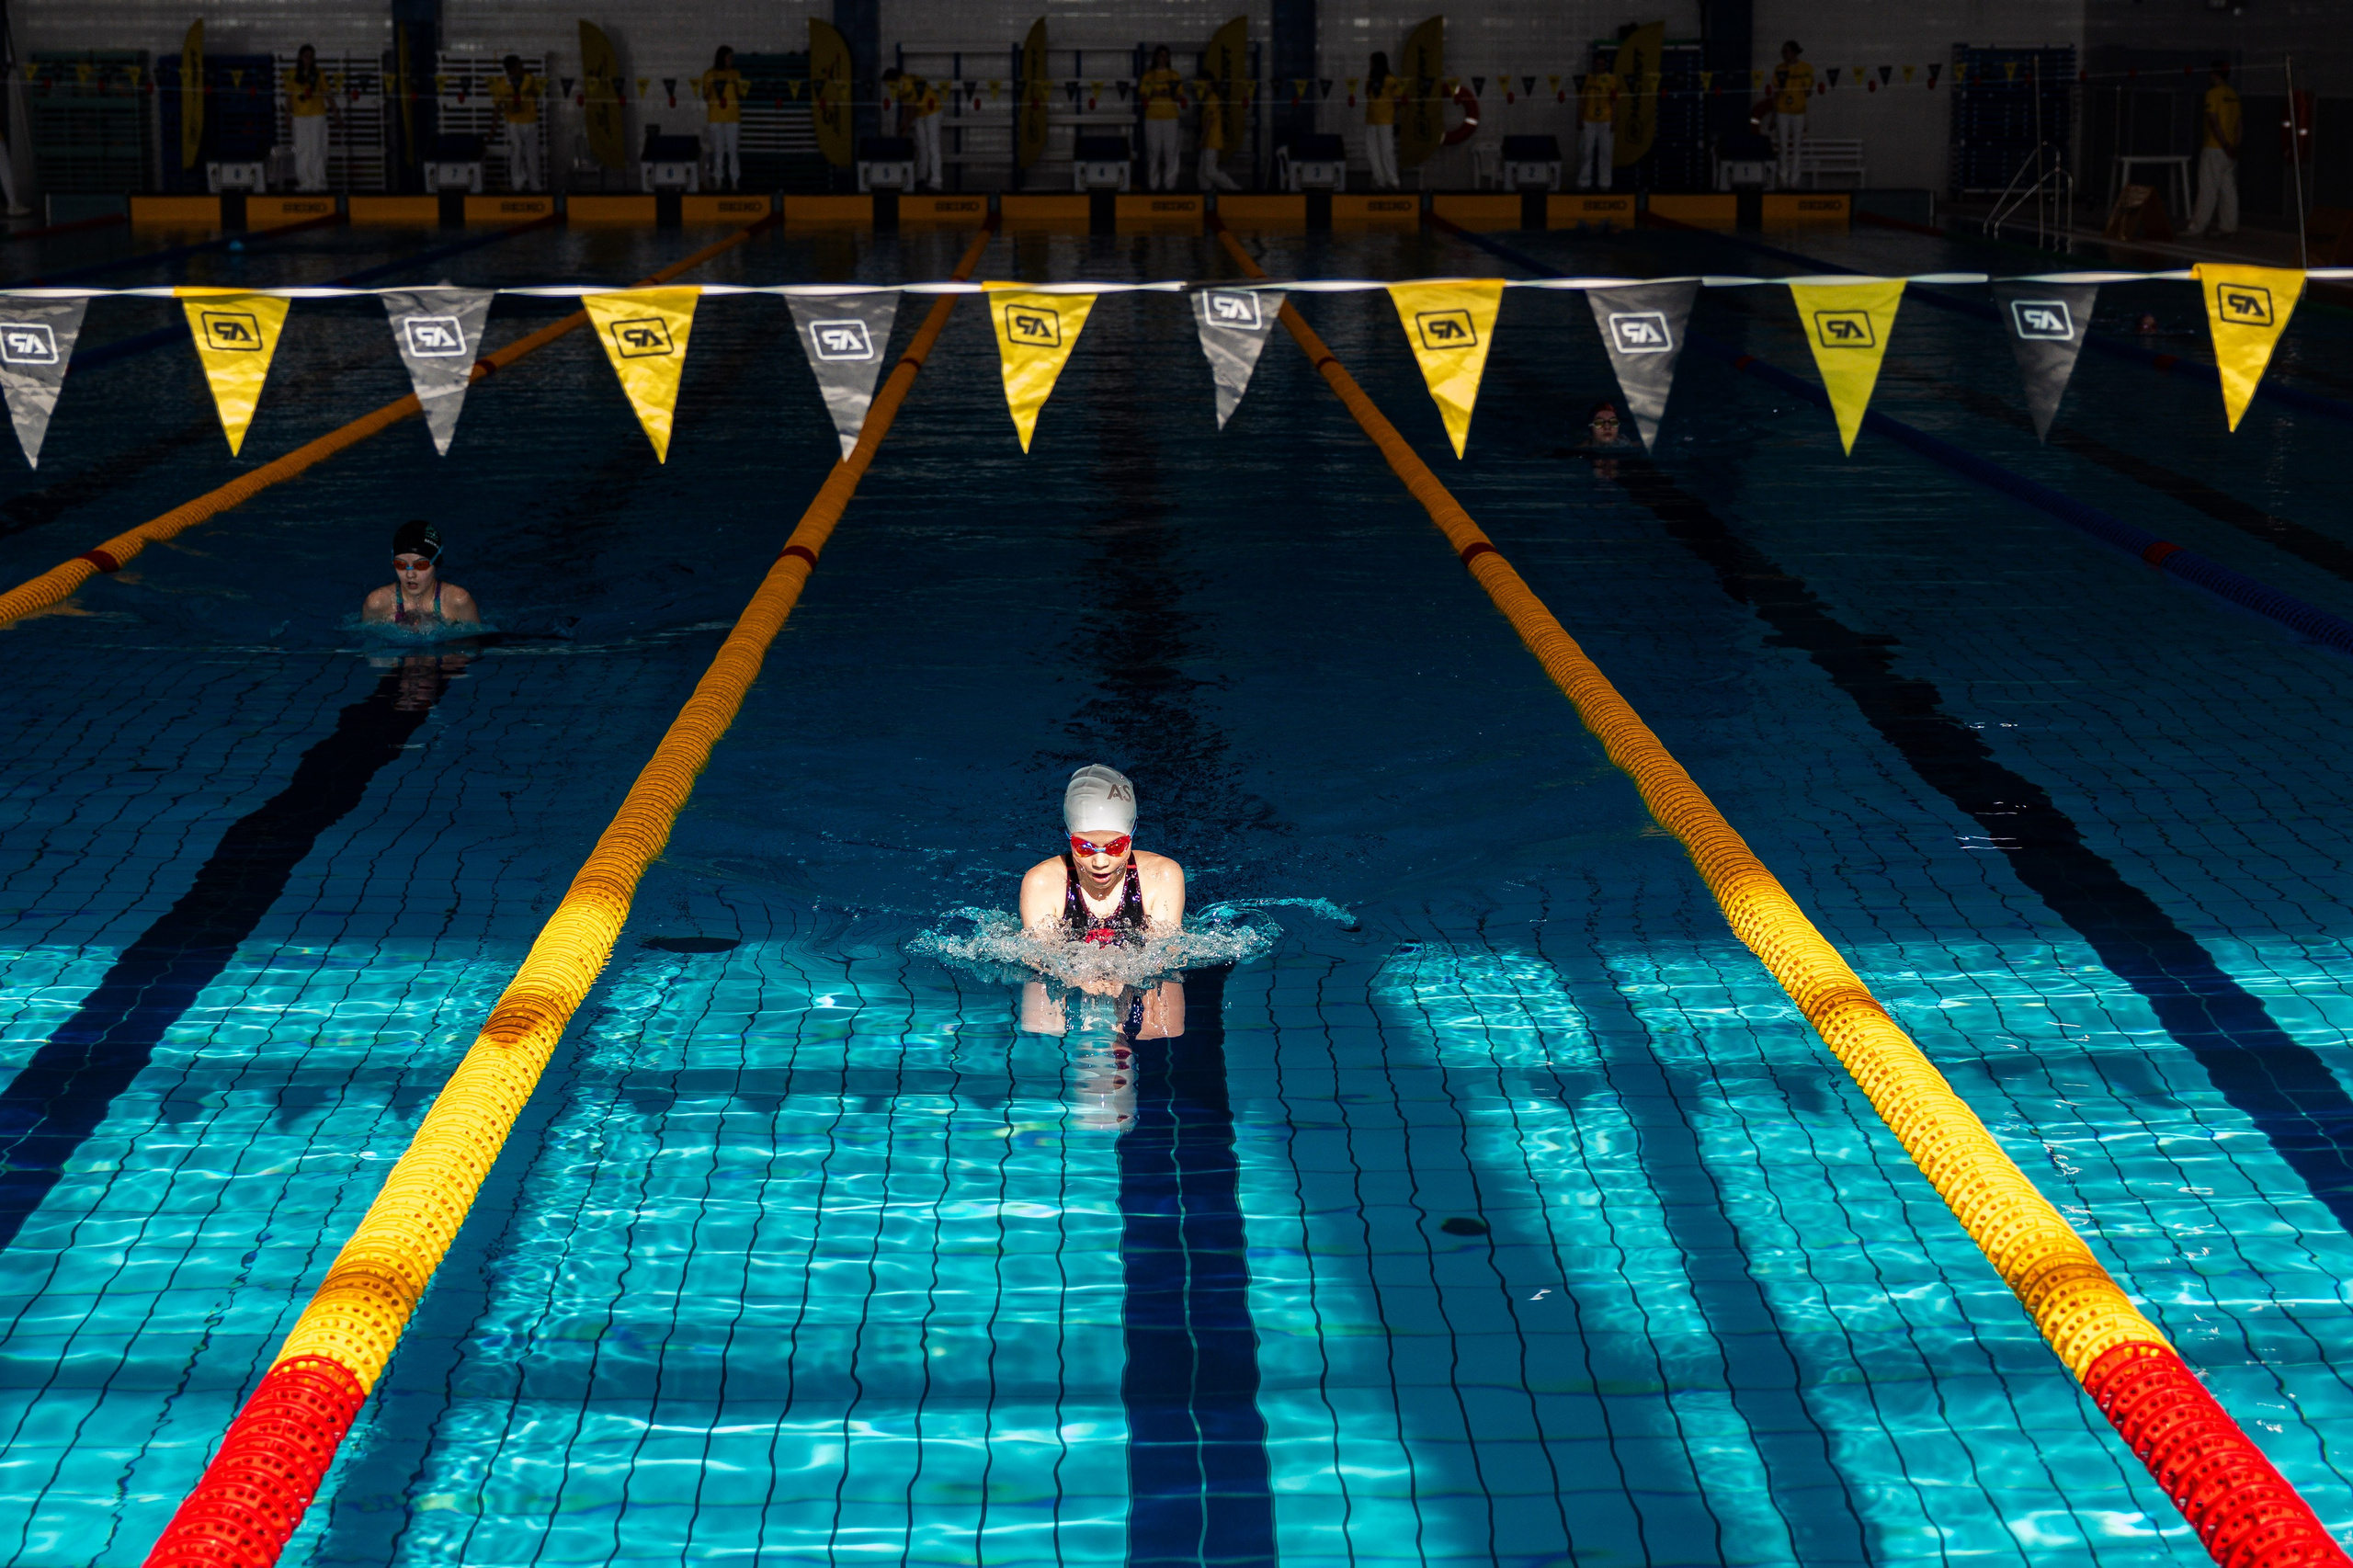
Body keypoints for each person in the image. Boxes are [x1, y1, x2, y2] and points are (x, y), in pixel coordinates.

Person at [1018, 764, 1186, 1040]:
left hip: (1132, 991)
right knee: (1039, 1026)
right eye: (1084, 847)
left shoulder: (1161, 876)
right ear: (1067, 838)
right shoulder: (1042, 882)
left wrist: (1131, 978)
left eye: (1116, 846)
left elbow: (1166, 955)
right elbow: (1038, 958)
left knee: (1166, 1026)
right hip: (1074, 988)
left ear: (1132, 834)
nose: (1100, 862)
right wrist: (1073, 976)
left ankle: (1119, 1047)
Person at [363, 520, 481, 632]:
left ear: (436, 562)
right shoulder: (377, 604)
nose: (410, 574)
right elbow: (369, 649)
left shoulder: (458, 601)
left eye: (420, 565)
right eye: (400, 564)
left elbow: (474, 648)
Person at [2186, 61, 2241, 238]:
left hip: (2214, 147)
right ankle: (2229, 227)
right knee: (2228, 189)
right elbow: (2240, 124)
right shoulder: (2233, 95)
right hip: (2230, 151)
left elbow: (2213, 121)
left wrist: (2223, 144)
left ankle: (2197, 227)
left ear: (2215, 75)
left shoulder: (2213, 94)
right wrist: (2234, 146)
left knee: (2208, 188)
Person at [881, 67, 943, 191]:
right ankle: (921, 179)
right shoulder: (899, 87)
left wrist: (905, 128)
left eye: (889, 83)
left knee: (933, 146)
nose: (888, 87)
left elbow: (912, 108)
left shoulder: (907, 84)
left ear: (895, 80)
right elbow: (906, 107)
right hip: (921, 113)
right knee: (922, 147)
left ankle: (937, 181)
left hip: (933, 111)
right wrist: (901, 125)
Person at [286, 46, 337, 193]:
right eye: (306, 56)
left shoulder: (319, 73)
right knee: (302, 150)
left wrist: (335, 113)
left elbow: (328, 94)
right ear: (300, 57)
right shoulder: (291, 73)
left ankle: (319, 182)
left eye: (311, 56)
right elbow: (289, 96)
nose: (308, 59)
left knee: (318, 149)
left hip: (317, 115)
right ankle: (305, 182)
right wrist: (287, 115)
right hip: (299, 116)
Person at [489, 55, 544, 192]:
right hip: (513, 122)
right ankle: (517, 183)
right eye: (520, 66)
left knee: (532, 154)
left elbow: (536, 96)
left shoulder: (529, 79)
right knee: (517, 148)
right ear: (512, 69)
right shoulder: (501, 85)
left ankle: (535, 185)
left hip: (530, 121)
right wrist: (493, 129)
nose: (523, 68)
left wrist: (530, 109)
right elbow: (497, 108)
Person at [1138, 46, 1185, 191]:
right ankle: (1153, 185)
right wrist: (1157, 93)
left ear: (1169, 58)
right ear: (1155, 58)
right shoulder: (1148, 76)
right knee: (1154, 151)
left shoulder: (1174, 75)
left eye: (1166, 56)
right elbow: (1143, 96)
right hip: (1152, 118)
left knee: (1171, 152)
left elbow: (1179, 96)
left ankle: (1170, 185)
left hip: (1171, 117)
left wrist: (1169, 94)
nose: (1163, 59)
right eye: (1160, 56)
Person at [699, 45, 744, 191]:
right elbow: (705, 96)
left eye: (732, 57)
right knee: (718, 151)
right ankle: (718, 180)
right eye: (729, 57)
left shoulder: (735, 74)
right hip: (716, 117)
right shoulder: (709, 75)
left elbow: (741, 94)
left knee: (733, 150)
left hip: (732, 117)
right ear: (722, 57)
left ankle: (735, 181)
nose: (731, 60)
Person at [1771, 40, 1812, 187]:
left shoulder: (1806, 69)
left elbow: (1808, 92)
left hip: (1798, 112)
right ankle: (1783, 179)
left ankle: (1794, 181)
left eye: (1786, 51)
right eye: (1782, 52)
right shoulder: (1779, 69)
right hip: (1782, 111)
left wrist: (1806, 87)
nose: (1783, 54)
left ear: (1794, 52)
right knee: (1782, 146)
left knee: (1797, 147)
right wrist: (1773, 115)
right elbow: (1775, 93)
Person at [1364, 51, 1405, 190]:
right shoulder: (1370, 79)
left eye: (1372, 62)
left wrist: (1391, 111)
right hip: (1371, 120)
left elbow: (1398, 100)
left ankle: (1393, 180)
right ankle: (1379, 179)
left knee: (1387, 150)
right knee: (1372, 152)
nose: (1370, 65)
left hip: (1386, 120)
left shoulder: (1391, 80)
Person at [1575, 62, 1619, 190]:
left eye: (1601, 65)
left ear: (1605, 66)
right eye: (1597, 64)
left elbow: (1614, 101)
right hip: (1589, 120)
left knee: (1605, 153)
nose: (1599, 67)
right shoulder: (1588, 79)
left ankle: (1605, 183)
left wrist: (1614, 120)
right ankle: (1584, 182)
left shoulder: (1611, 79)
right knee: (1586, 152)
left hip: (1605, 120)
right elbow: (1582, 99)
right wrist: (1579, 117)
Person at [1196, 78, 1240, 189]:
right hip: (1208, 141)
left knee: (1210, 171)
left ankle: (1234, 188)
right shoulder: (1208, 99)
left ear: (1209, 84)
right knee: (1202, 173)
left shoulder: (1212, 98)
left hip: (1212, 141)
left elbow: (1209, 122)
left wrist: (1201, 139)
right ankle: (1206, 195)